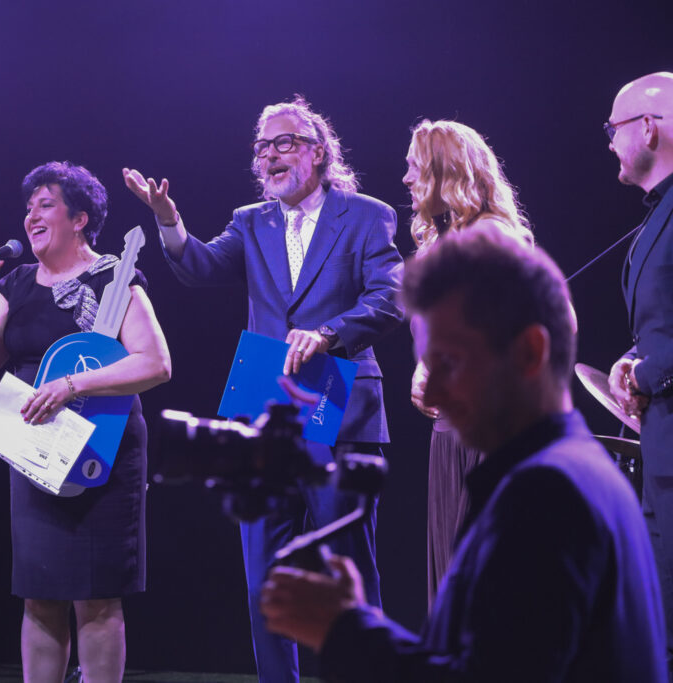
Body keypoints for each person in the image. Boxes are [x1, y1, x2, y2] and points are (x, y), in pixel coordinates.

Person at [260, 228, 666, 682]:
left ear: (530, 352)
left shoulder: (548, 495)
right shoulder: (568, 475)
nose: (431, 393)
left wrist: (344, 631)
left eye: (448, 362)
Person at [124, 95, 403, 683]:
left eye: (284, 143)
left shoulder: (366, 215)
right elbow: (199, 267)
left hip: (338, 395)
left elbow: (390, 296)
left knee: (346, 567)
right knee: (263, 577)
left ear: (318, 152)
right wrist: (168, 219)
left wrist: (328, 333)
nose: (270, 156)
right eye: (261, 147)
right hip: (263, 399)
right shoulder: (251, 221)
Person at [0, 161, 171, 683]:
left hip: (101, 449)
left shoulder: (114, 277)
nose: (31, 215)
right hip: (36, 448)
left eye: (46, 204)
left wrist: (72, 385)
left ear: (79, 219)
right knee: (40, 594)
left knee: (96, 597)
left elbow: (154, 363)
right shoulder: (16, 283)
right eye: (29, 207)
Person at [401, 119, 534, 607]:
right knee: (453, 585)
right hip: (451, 433)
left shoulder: (492, 235)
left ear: (447, 172)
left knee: (486, 586)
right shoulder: (439, 242)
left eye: (415, 167)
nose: (406, 179)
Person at [604, 71, 673, 675]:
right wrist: (631, 358)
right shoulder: (657, 216)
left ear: (648, 128)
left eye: (615, 128)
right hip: (660, 448)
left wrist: (647, 375)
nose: (609, 142)